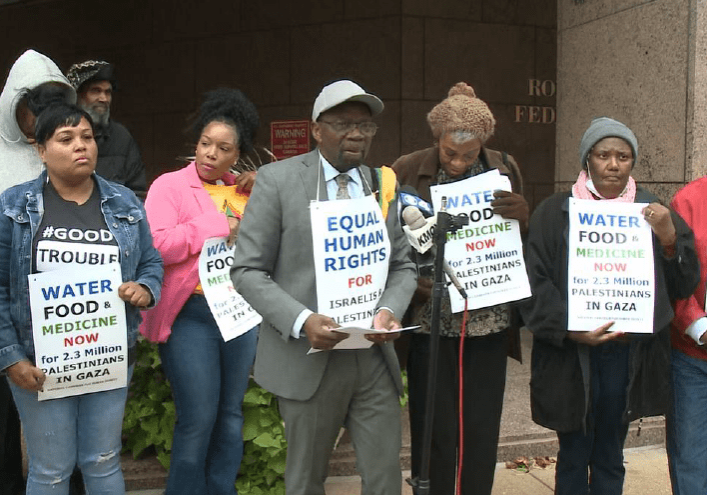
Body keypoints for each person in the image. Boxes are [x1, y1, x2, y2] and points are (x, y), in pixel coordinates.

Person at [231, 79, 417, 495]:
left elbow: (402, 266)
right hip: (308, 356)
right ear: (317, 129)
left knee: (385, 476)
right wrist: (302, 320)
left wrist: (390, 311)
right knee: (305, 480)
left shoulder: (380, 185)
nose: (356, 134)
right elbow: (247, 271)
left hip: (371, 357)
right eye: (344, 124)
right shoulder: (277, 182)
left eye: (366, 127)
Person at [521, 117, 698, 495]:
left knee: (610, 451)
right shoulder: (554, 213)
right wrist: (569, 326)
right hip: (572, 355)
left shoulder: (654, 211)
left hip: (627, 355)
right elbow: (534, 285)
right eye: (604, 155)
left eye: (623, 156)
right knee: (572, 451)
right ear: (588, 159)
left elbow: (685, 284)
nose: (613, 164)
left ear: (633, 162)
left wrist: (669, 240)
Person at [0, 102, 163, 494]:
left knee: (102, 463)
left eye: (87, 137)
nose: (81, 146)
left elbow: (151, 261)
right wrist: (11, 358)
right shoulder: (13, 206)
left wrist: (144, 288)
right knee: (52, 468)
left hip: (107, 356)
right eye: (66, 138)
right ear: (40, 150)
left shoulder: (124, 202)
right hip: (39, 363)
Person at [391, 82, 528, 495]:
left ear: (484, 143)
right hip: (431, 320)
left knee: (481, 426)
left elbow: (517, 240)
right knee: (433, 423)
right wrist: (412, 285)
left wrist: (524, 214)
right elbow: (389, 239)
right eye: (450, 152)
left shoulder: (505, 167)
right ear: (437, 138)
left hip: (488, 320)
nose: (457, 161)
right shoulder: (407, 168)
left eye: (468, 155)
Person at [140, 88, 260, 495]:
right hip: (190, 316)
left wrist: (265, 189)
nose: (210, 154)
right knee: (198, 416)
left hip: (239, 315)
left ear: (237, 154)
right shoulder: (168, 187)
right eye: (205, 143)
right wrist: (215, 227)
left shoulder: (244, 192)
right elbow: (157, 245)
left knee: (230, 415)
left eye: (223, 148)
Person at [0, 48, 76, 495]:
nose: (40, 116)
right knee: (5, 424)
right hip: (6, 308)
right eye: (34, 105)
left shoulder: (69, 150)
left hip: (62, 313)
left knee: (67, 416)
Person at [667, 176, 707, 494]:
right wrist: (700, 328)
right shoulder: (688, 201)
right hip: (694, 358)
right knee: (691, 460)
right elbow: (672, 275)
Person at [67, 60, 147, 199]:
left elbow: (137, 193)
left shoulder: (121, 137)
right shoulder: (60, 133)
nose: (103, 98)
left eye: (107, 92)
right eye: (95, 91)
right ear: (78, 95)